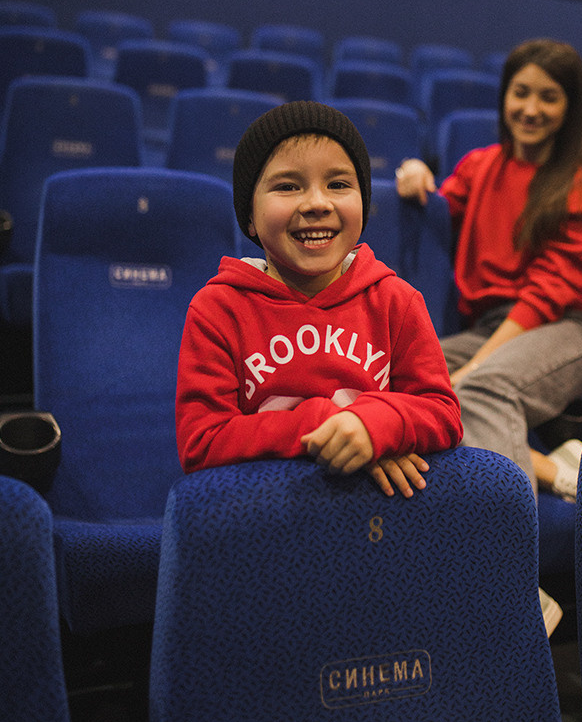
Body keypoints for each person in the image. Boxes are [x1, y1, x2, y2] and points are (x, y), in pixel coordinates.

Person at [176, 100, 462, 498]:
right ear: (249, 217)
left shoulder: (397, 300)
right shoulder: (218, 309)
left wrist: (377, 426)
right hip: (263, 523)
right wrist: (323, 423)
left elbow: (443, 412)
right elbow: (201, 442)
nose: (316, 203)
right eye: (287, 186)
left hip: (374, 526)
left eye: (339, 184)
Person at [396, 38, 582, 502]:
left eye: (549, 96)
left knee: (483, 389)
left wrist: (476, 368)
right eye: (520, 92)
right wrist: (415, 171)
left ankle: (515, 563)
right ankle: (549, 467)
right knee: (402, 378)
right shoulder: (481, 166)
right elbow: (443, 202)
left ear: (571, 107)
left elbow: (544, 297)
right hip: (491, 326)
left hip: (571, 325)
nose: (530, 108)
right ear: (504, 96)